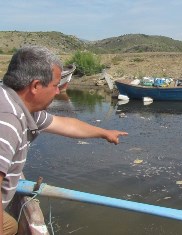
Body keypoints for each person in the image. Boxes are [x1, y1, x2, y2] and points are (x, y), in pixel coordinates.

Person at [0, 45, 128, 234]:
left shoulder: (18, 104)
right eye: (55, 86)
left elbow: (66, 124)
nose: (58, 92)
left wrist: (104, 132)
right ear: (35, 86)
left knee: (10, 226)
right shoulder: (8, 121)